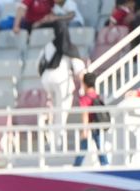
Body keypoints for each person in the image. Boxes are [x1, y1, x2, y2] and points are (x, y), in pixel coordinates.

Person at [39, 21, 86, 149]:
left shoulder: (48, 46)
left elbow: (40, 63)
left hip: (46, 80)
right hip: (61, 81)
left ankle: (51, 139)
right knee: (61, 111)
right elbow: (79, 69)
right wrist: (84, 87)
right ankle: (57, 142)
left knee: (52, 111)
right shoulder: (69, 47)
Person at [76, 73, 110, 166]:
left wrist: (84, 130)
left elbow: (85, 115)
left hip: (91, 124)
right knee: (99, 146)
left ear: (84, 84)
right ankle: (104, 163)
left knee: (84, 146)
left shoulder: (85, 98)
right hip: (97, 124)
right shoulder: (97, 95)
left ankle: (77, 165)